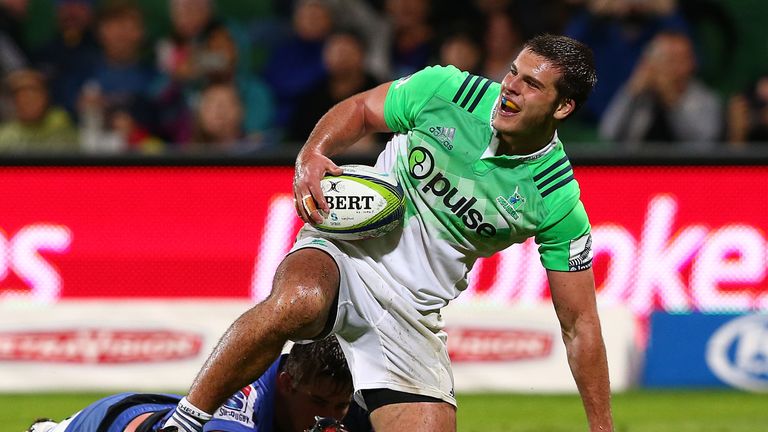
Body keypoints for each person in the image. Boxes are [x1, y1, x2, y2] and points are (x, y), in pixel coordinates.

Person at [162, 33, 614, 432]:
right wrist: (313, 153)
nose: (510, 87)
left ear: (562, 106)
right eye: (513, 71)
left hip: (412, 312)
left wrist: (601, 426)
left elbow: (579, 326)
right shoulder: (448, 90)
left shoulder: (557, 200)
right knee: (299, 300)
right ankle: (183, 421)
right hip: (345, 252)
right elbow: (361, 110)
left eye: (531, 84)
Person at [26, 336, 371, 432]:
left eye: (339, 406)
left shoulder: (355, 401)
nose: (330, 415)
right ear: (286, 384)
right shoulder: (238, 406)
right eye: (318, 403)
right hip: (111, 423)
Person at [598, 30, 722, 148]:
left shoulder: (704, 99)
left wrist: (672, 101)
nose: (669, 68)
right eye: (663, 60)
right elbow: (608, 133)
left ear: (691, 63)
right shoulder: (640, 95)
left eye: (675, 60)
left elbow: (705, 141)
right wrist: (630, 93)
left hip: (683, 163)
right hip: (638, 162)